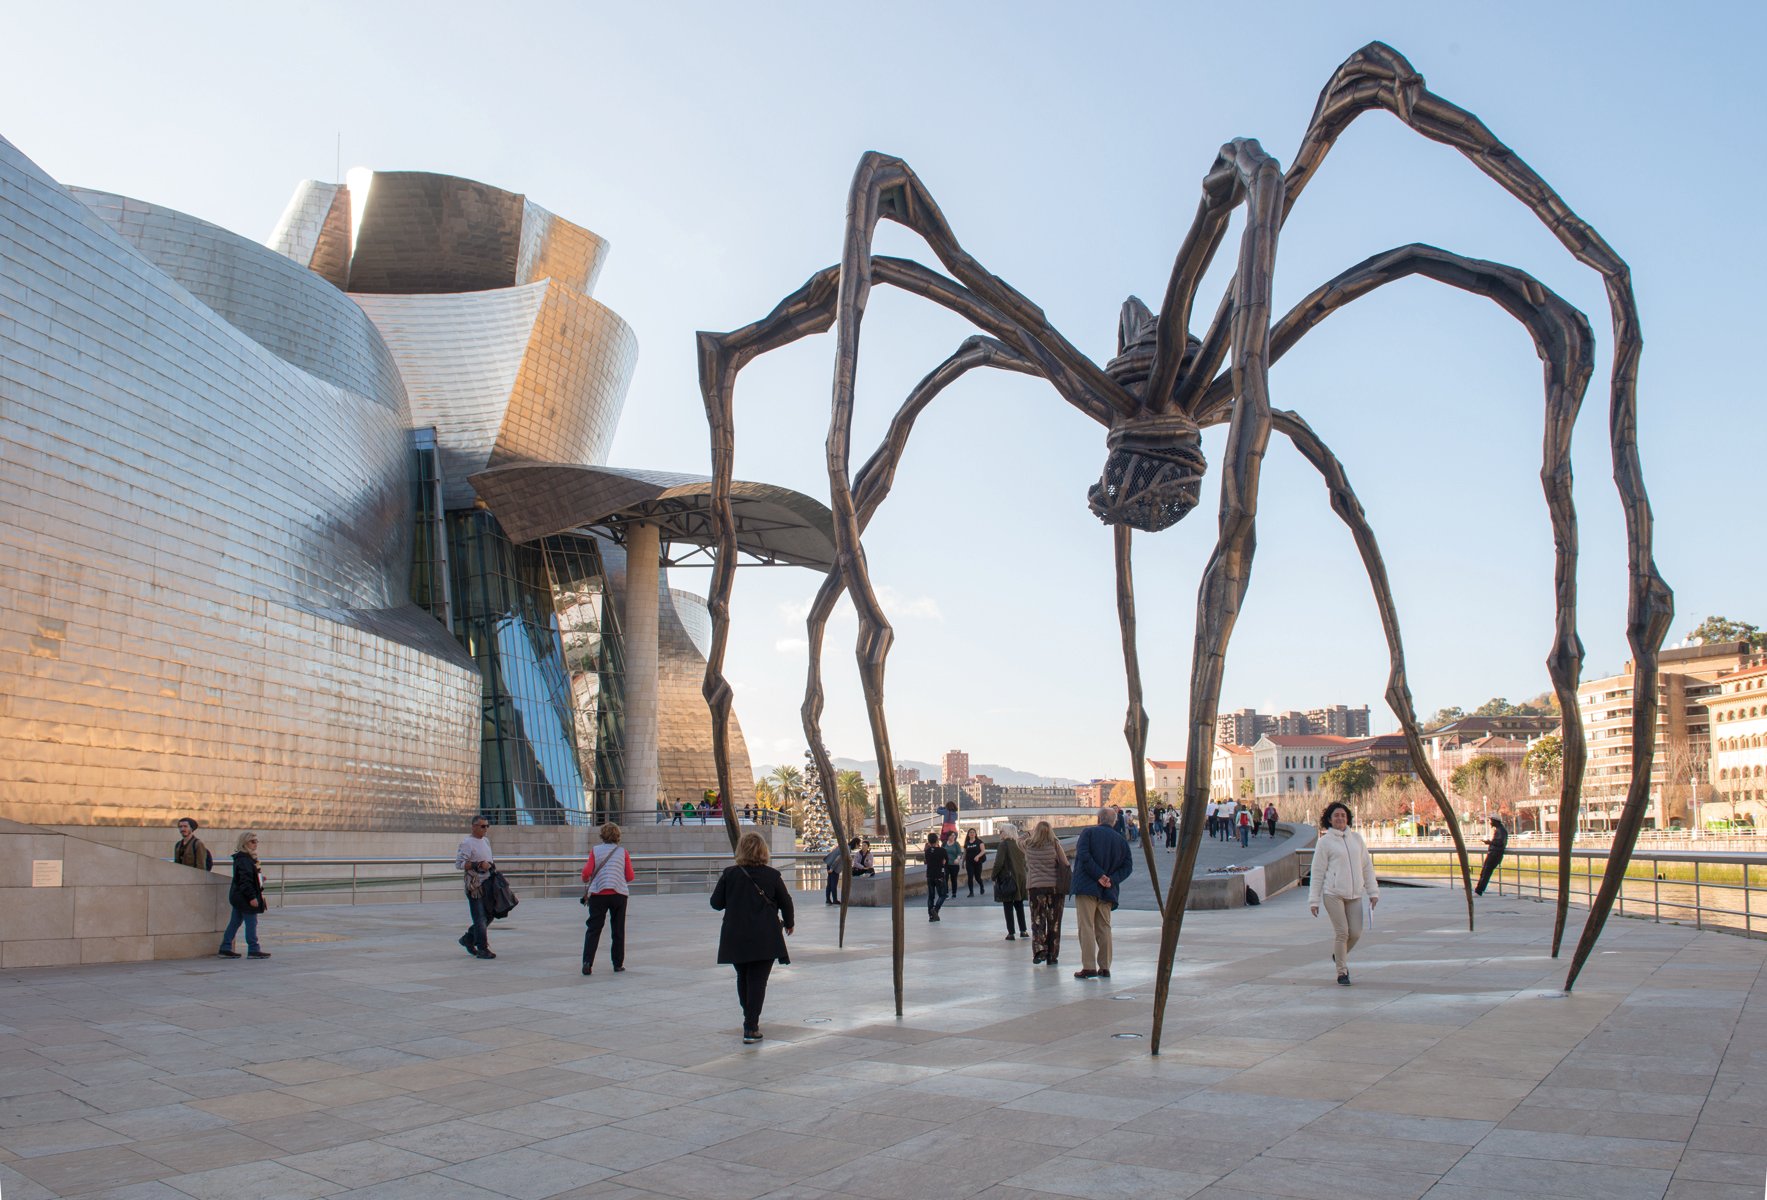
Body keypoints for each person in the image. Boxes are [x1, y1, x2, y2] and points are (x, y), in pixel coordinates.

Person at [710, 831, 794, 1044]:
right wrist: (789, 923)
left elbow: (716, 903)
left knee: (743, 976)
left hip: (736, 935)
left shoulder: (730, 874)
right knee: (758, 980)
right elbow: (786, 901)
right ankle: (751, 1025)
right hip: (765, 935)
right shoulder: (772, 875)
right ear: (764, 851)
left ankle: (749, 1018)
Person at [1308, 801, 1379, 985]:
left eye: (1343, 815)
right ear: (1329, 819)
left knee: (1355, 933)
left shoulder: (1357, 839)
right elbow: (1317, 872)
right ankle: (1342, 971)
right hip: (1333, 893)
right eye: (1336, 815)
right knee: (1342, 933)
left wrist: (1373, 892)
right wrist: (1313, 900)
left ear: (1348, 818)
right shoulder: (1324, 842)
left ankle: (1338, 955)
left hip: (1355, 894)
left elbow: (1366, 867)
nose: (1340, 818)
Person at [1071, 805, 1131, 980]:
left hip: (1086, 887)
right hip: (1107, 890)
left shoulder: (1088, 833)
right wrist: (1110, 879)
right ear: (1114, 822)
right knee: (1104, 928)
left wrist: (1099, 876)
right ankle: (1105, 967)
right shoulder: (1120, 840)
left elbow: (1083, 855)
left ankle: (1088, 966)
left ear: (1098, 820)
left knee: (1086, 926)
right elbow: (1128, 866)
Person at [581, 822, 634, 975]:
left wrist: (586, 879)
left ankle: (587, 962)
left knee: (593, 929)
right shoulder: (623, 852)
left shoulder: (595, 851)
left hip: (598, 894)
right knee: (618, 930)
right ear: (618, 836)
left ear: (602, 835)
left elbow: (586, 872)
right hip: (619, 894)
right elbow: (630, 876)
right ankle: (617, 964)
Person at [1022, 820, 1070, 965]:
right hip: (1055, 888)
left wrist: (1027, 834)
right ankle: (1052, 954)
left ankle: (1039, 950)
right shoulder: (1055, 844)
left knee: (1037, 920)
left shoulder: (1028, 845)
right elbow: (1066, 863)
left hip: (1036, 889)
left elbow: (1018, 841)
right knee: (1054, 922)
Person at [217, 832, 269, 959]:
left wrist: (260, 878)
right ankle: (253, 949)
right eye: (252, 841)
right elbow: (245, 881)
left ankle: (225, 947)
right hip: (244, 897)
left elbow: (247, 877)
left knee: (235, 922)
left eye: (256, 841)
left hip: (239, 896)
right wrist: (252, 897)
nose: (255, 844)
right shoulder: (244, 859)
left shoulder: (245, 858)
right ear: (244, 843)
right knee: (251, 922)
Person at [455, 814, 496, 960]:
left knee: (490, 914)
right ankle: (483, 948)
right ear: (474, 827)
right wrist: (478, 865)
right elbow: (459, 864)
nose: (486, 829)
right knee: (479, 917)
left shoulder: (486, 841)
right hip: (475, 886)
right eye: (483, 826)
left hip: (488, 884)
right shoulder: (467, 843)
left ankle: (468, 938)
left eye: (487, 826)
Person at [991, 823, 1028, 940]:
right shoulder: (1019, 844)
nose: (1000, 834)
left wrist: (993, 876)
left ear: (1006, 833)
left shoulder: (1004, 845)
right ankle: (1023, 930)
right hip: (1021, 877)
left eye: (1001, 831)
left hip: (1008, 879)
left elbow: (998, 863)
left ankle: (1011, 932)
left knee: (1008, 905)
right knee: (1019, 904)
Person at [1475, 815, 1509, 896]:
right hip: (1493, 854)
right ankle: (1478, 890)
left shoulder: (1501, 830)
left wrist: (1489, 842)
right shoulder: (1499, 830)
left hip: (1494, 855)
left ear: (1495, 821)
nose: (1490, 822)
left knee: (1486, 872)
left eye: (1491, 821)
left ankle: (1479, 891)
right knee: (1484, 872)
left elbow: (1500, 843)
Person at [923, 831, 948, 921]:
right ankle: (935, 909)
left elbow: (927, 861)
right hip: (939, 875)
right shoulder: (942, 850)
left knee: (931, 896)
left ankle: (931, 915)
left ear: (929, 841)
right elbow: (946, 861)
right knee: (943, 895)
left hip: (930, 875)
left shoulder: (927, 851)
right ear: (937, 840)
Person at [963, 830, 987, 897]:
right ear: (968, 834)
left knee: (977, 877)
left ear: (975, 834)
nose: (972, 834)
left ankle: (981, 886)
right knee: (970, 877)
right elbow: (965, 853)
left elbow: (983, 851)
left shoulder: (979, 842)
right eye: (970, 832)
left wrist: (978, 856)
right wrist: (962, 862)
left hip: (977, 862)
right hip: (969, 862)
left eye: (973, 832)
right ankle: (971, 892)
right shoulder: (967, 843)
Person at [943, 830, 962, 898]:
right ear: (948, 836)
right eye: (952, 835)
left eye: (954, 835)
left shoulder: (956, 844)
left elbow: (959, 853)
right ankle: (946, 893)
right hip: (946, 865)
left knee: (953, 879)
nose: (953, 837)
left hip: (954, 865)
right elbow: (941, 852)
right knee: (945, 878)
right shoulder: (944, 843)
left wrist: (958, 859)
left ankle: (954, 893)